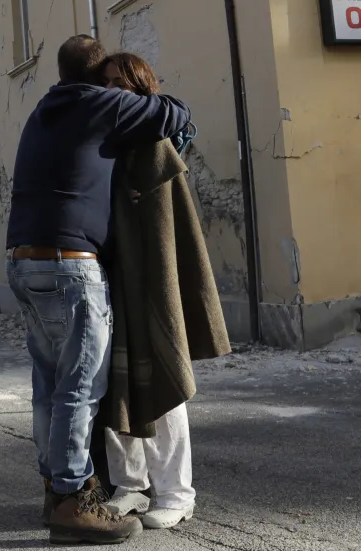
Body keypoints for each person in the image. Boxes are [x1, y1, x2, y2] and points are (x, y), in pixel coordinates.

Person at [5, 34, 190, 546]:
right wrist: (134, 97)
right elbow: (175, 113)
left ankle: (53, 488)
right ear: (95, 79)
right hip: (70, 266)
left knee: (48, 385)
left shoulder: (45, 109)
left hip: (24, 262)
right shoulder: (97, 104)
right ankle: (71, 500)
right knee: (80, 389)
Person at [100, 52, 231, 530]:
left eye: (124, 83)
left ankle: (177, 492)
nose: (115, 91)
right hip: (112, 281)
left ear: (141, 87)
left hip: (152, 283)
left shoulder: (154, 140)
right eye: (107, 82)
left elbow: (168, 230)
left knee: (163, 379)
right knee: (113, 386)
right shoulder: (105, 143)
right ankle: (129, 486)